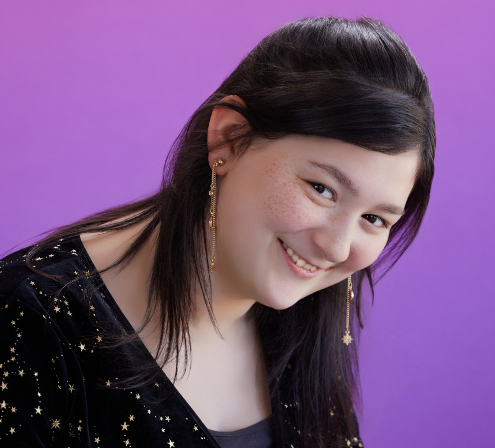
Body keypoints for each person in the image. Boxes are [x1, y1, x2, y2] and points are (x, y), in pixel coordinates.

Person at [0, 16, 435, 448]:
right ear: (228, 139)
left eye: (374, 219)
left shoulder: (303, 323)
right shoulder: (28, 320)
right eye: (322, 189)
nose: (337, 247)